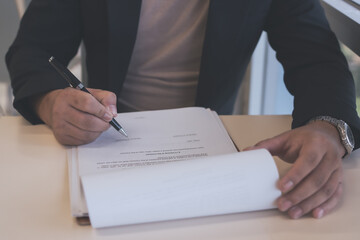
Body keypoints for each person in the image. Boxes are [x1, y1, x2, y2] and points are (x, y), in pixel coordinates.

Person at [6, 0, 360, 220]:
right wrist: (50, 101)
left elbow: (316, 57)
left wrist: (328, 127)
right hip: (104, 139)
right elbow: (33, 51)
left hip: (209, 147)